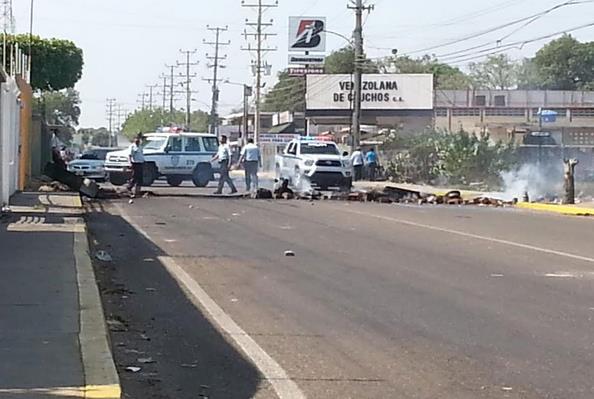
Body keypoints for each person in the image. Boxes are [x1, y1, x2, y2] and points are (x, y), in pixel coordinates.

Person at [127, 134, 145, 198]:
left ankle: (137, 192)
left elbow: (141, 155)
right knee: (134, 177)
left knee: (140, 178)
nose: (137, 140)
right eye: (136, 139)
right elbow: (130, 155)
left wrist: (143, 161)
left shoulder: (140, 146)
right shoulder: (132, 146)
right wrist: (130, 163)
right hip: (135, 163)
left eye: (138, 139)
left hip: (140, 163)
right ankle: (129, 188)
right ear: (134, 139)